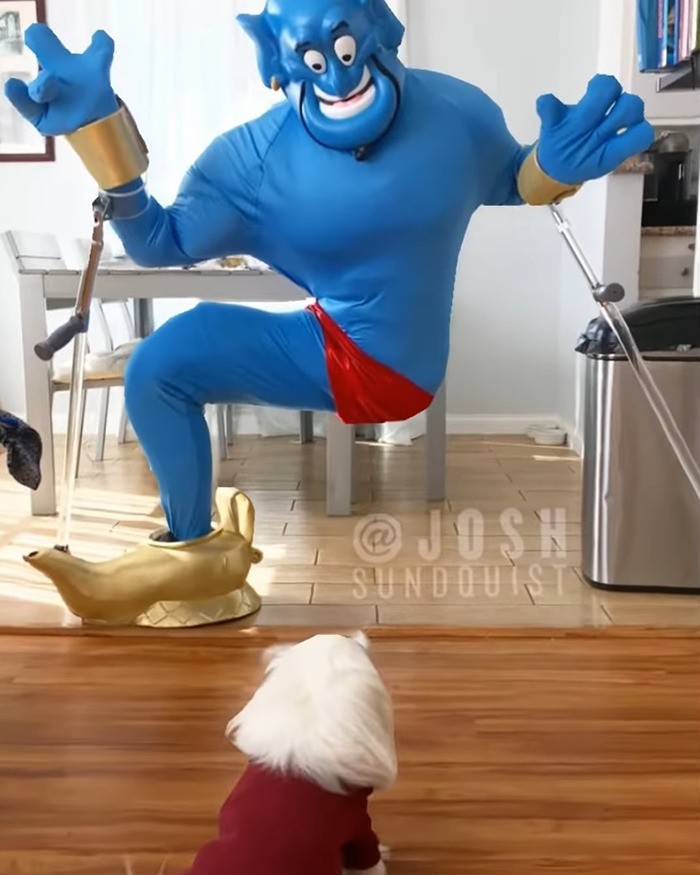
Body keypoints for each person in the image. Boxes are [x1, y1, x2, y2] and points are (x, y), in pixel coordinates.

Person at [5, 0, 654, 625]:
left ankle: (194, 556)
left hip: (379, 364)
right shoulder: (253, 160)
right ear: (280, 62)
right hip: (349, 341)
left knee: (163, 362)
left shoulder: (454, 114)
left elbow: (512, 178)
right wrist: (101, 133)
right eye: (313, 60)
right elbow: (158, 242)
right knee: (163, 362)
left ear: (380, 30)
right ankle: (193, 550)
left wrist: (553, 166)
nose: (338, 78)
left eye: (345, 50)